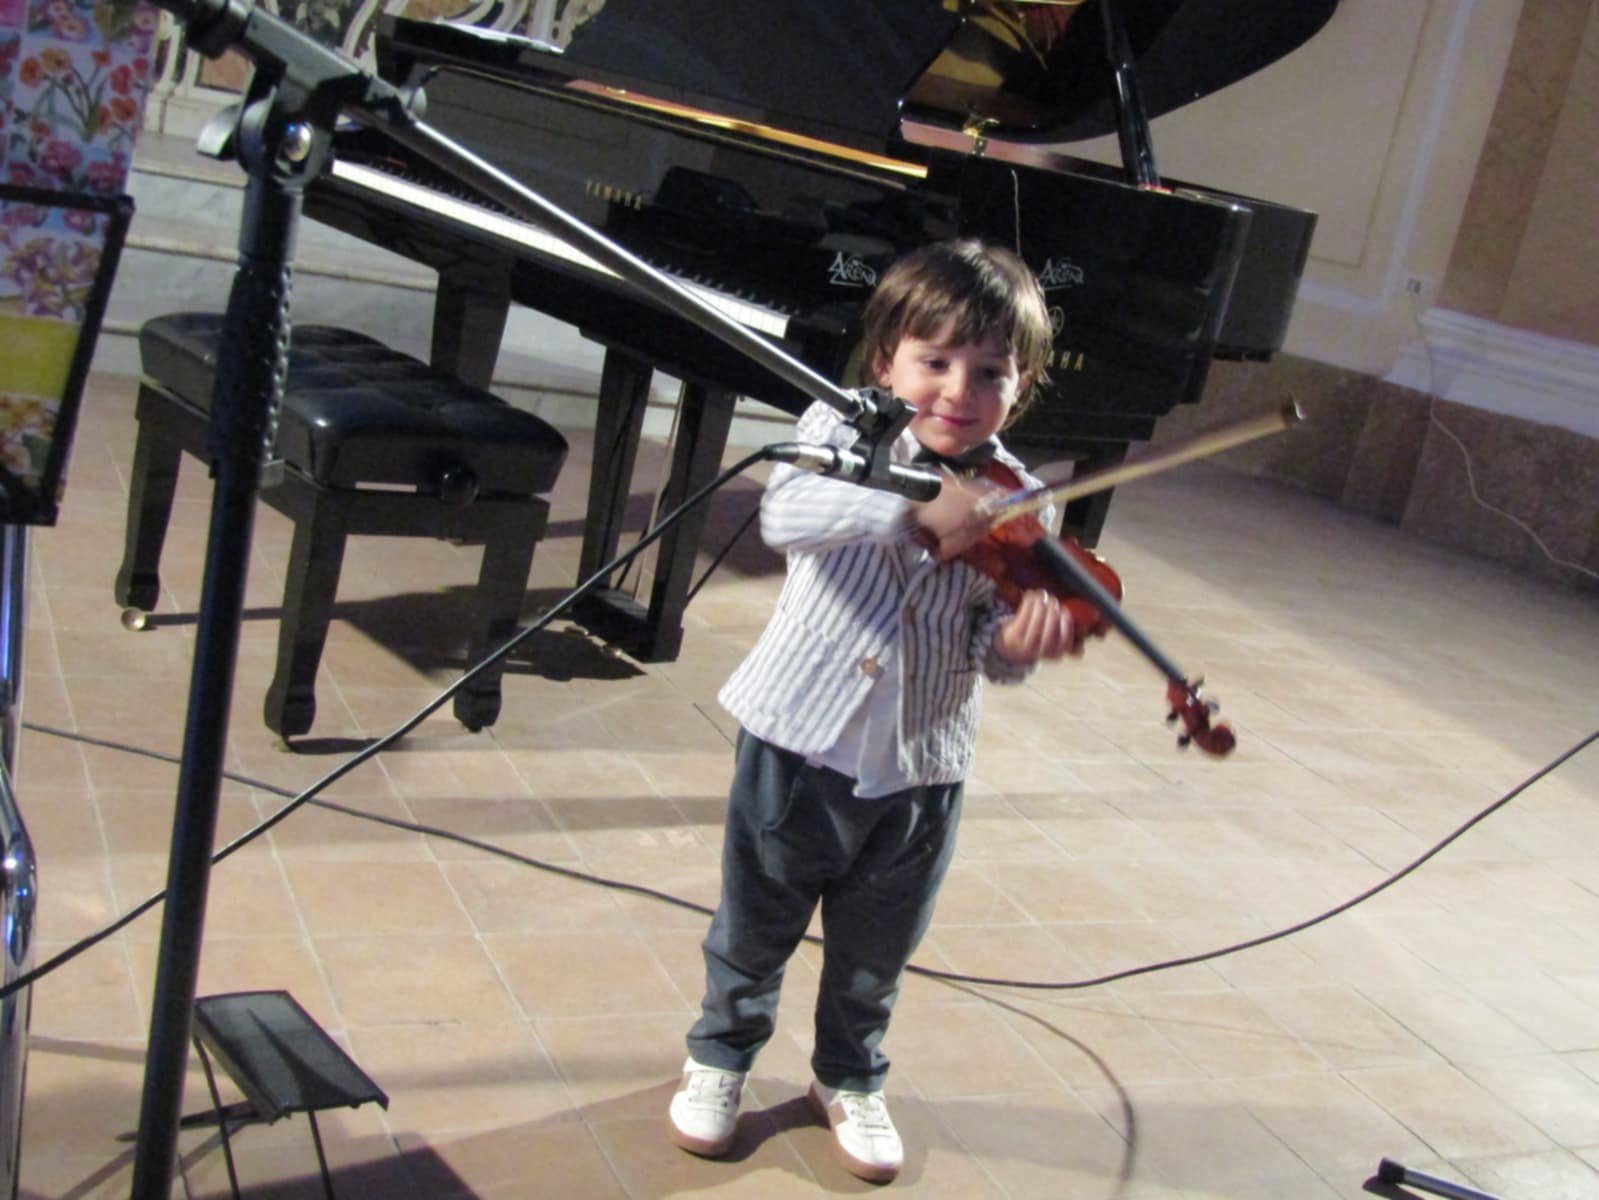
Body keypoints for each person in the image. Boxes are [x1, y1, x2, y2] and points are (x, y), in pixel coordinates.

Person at [667, 239, 1078, 1183]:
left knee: (877, 949)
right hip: (796, 746)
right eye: (935, 361)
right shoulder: (841, 432)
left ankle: (848, 1076)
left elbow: (986, 643)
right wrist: (909, 508)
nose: (958, 391)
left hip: (921, 768)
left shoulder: (1021, 501)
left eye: (989, 372)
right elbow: (786, 517)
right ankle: (719, 1057)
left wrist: (1015, 647)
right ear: (886, 360)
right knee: (755, 924)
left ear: (1020, 385)